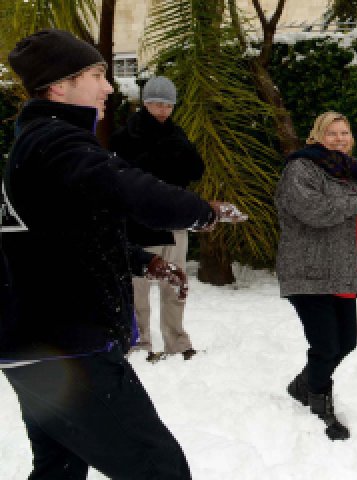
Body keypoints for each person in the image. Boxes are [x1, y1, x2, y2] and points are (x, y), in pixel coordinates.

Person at [0, 29, 241, 479]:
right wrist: (200, 211)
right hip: (68, 351)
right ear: (59, 86)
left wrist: (138, 259)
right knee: (159, 470)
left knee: (60, 469)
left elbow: (58, 237)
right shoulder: (56, 142)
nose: (109, 87)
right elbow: (124, 185)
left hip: (37, 350)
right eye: (96, 75)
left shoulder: (34, 146)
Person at [275, 111, 357, 440]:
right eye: (332, 133)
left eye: (344, 133)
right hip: (308, 269)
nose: (340, 138)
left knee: (347, 341)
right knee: (326, 344)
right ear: (316, 136)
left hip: (343, 270)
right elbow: (315, 211)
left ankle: (303, 385)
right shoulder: (300, 168)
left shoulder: (355, 173)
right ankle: (320, 404)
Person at [110, 76, 205, 362]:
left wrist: (178, 150)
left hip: (174, 219)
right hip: (139, 221)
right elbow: (125, 177)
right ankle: (141, 342)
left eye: (167, 105)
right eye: (155, 103)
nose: (162, 110)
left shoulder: (178, 134)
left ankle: (176, 341)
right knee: (139, 284)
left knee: (175, 280)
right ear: (145, 103)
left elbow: (195, 169)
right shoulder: (125, 136)